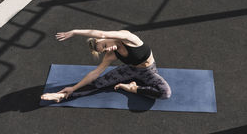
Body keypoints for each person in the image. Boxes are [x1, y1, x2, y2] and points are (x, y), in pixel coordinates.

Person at [41, 29, 171, 103]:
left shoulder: (128, 38)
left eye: (104, 45)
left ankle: (132, 88)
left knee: (165, 93)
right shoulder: (111, 54)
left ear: (106, 38)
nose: (107, 49)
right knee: (98, 83)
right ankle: (62, 96)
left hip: (149, 71)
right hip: (129, 70)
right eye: (104, 50)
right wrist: (73, 88)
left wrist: (75, 32)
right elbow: (95, 73)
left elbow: (101, 34)